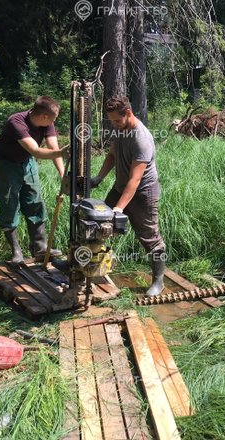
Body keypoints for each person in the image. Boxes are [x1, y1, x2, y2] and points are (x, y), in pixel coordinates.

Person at [91, 96, 167, 297]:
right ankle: (90, 267)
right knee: (97, 223)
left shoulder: (141, 139)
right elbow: (112, 155)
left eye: (116, 120)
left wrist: (118, 208)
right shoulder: (120, 128)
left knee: (150, 237)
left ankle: (159, 281)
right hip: (121, 188)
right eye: (111, 121)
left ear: (129, 114)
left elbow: (135, 180)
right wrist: (98, 177)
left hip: (143, 192)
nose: (113, 124)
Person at [0, 95, 67, 264]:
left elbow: (53, 148)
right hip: (6, 165)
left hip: (27, 162)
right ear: (44, 116)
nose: (54, 121)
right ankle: (16, 253)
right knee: (10, 206)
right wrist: (62, 152)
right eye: (54, 118)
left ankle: (40, 248)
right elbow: (36, 151)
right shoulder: (16, 122)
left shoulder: (47, 123)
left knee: (35, 201)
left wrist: (63, 175)